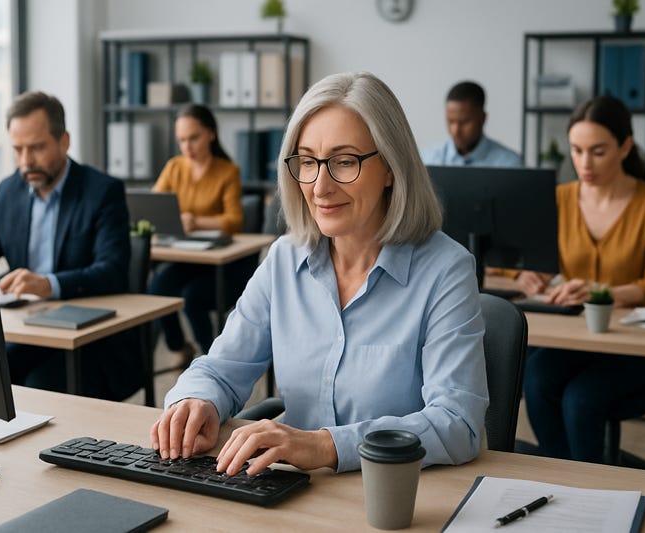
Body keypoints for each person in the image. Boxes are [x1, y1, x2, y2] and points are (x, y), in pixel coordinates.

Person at [149, 72, 488, 475]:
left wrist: (326, 445)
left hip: (395, 499)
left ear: (391, 168)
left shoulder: (446, 269)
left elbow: (458, 424)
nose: (320, 186)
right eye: (307, 162)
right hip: (291, 491)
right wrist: (197, 400)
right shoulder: (283, 260)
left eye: (344, 162)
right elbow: (222, 368)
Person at [517, 95, 645, 463]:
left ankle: (593, 492)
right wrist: (528, 273)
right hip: (576, 341)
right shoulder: (559, 199)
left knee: (581, 399)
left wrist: (601, 292)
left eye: (597, 151)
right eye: (576, 150)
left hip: (634, 345)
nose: (584, 163)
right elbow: (516, 260)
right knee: (537, 378)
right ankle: (563, 478)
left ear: (625, 146)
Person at [0, 91, 141, 401]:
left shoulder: (102, 192)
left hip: (91, 342)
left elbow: (112, 271)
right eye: (18, 149)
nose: (26, 161)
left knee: (36, 388)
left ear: (64, 141)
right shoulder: (8, 192)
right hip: (31, 329)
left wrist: (49, 284)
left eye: (37, 147)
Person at [146, 104, 245, 362]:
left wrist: (197, 222)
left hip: (217, 263)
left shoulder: (228, 171)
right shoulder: (174, 167)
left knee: (192, 298)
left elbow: (235, 220)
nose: (187, 147)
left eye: (193, 138)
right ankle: (179, 347)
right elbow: (154, 207)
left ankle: (214, 359)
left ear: (211, 134)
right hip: (185, 257)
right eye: (181, 140)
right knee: (157, 288)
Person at [422, 81, 522, 167]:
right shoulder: (426, 160)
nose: (455, 131)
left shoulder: (509, 164)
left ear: (482, 118)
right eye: (451, 122)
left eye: (464, 122)